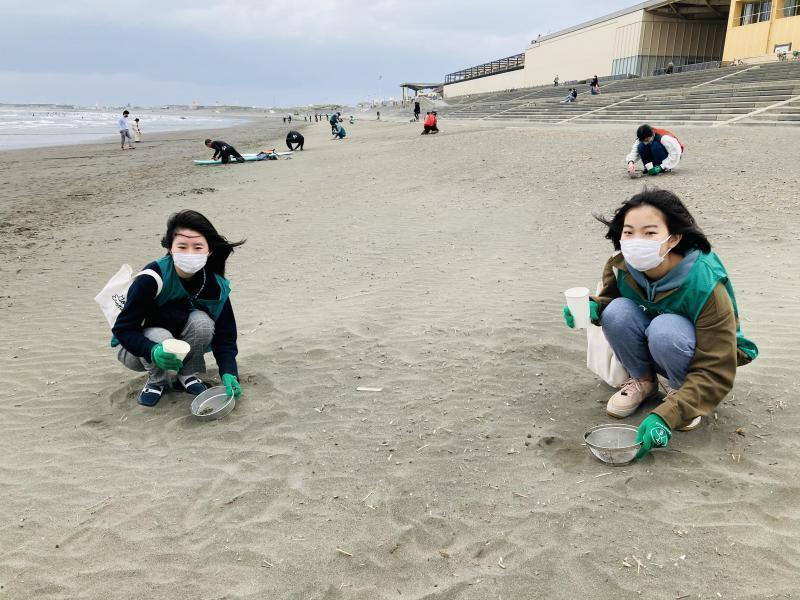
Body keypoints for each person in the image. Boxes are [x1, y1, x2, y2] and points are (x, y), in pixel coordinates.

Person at [562, 188, 757, 458]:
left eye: (650, 233)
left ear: (674, 238)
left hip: (693, 352)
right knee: (617, 311)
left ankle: (683, 397)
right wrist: (593, 308)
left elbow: (717, 366)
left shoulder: (704, 282)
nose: (635, 241)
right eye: (628, 232)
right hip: (653, 341)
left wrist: (667, 416)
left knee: (665, 329)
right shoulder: (621, 265)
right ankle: (642, 381)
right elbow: (613, 301)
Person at [112, 210, 246, 406]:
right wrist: (152, 350)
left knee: (202, 322)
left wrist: (229, 371)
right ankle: (156, 381)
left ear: (209, 250)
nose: (190, 253)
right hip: (135, 350)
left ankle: (187, 374)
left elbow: (225, 335)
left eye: (198, 246)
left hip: (180, 338)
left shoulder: (215, 285)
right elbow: (123, 329)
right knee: (160, 337)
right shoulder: (151, 278)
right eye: (182, 246)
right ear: (170, 247)